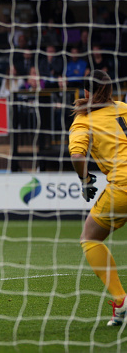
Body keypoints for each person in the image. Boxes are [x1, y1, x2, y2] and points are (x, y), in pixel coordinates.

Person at [68, 69, 127, 326]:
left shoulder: (84, 120)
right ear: (111, 90)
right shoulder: (124, 107)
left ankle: (120, 300)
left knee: (89, 237)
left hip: (123, 186)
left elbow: (77, 156)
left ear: (86, 92)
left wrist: (85, 180)